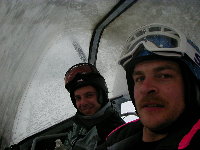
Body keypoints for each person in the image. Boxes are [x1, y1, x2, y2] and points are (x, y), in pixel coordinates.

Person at [103, 23, 200, 150]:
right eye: (140, 78)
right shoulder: (117, 139)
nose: (145, 88)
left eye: (163, 76)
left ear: (192, 88)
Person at [60, 63, 125, 150]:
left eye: (89, 95)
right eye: (78, 98)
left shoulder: (114, 132)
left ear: (102, 96)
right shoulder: (82, 122)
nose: (83, 103)